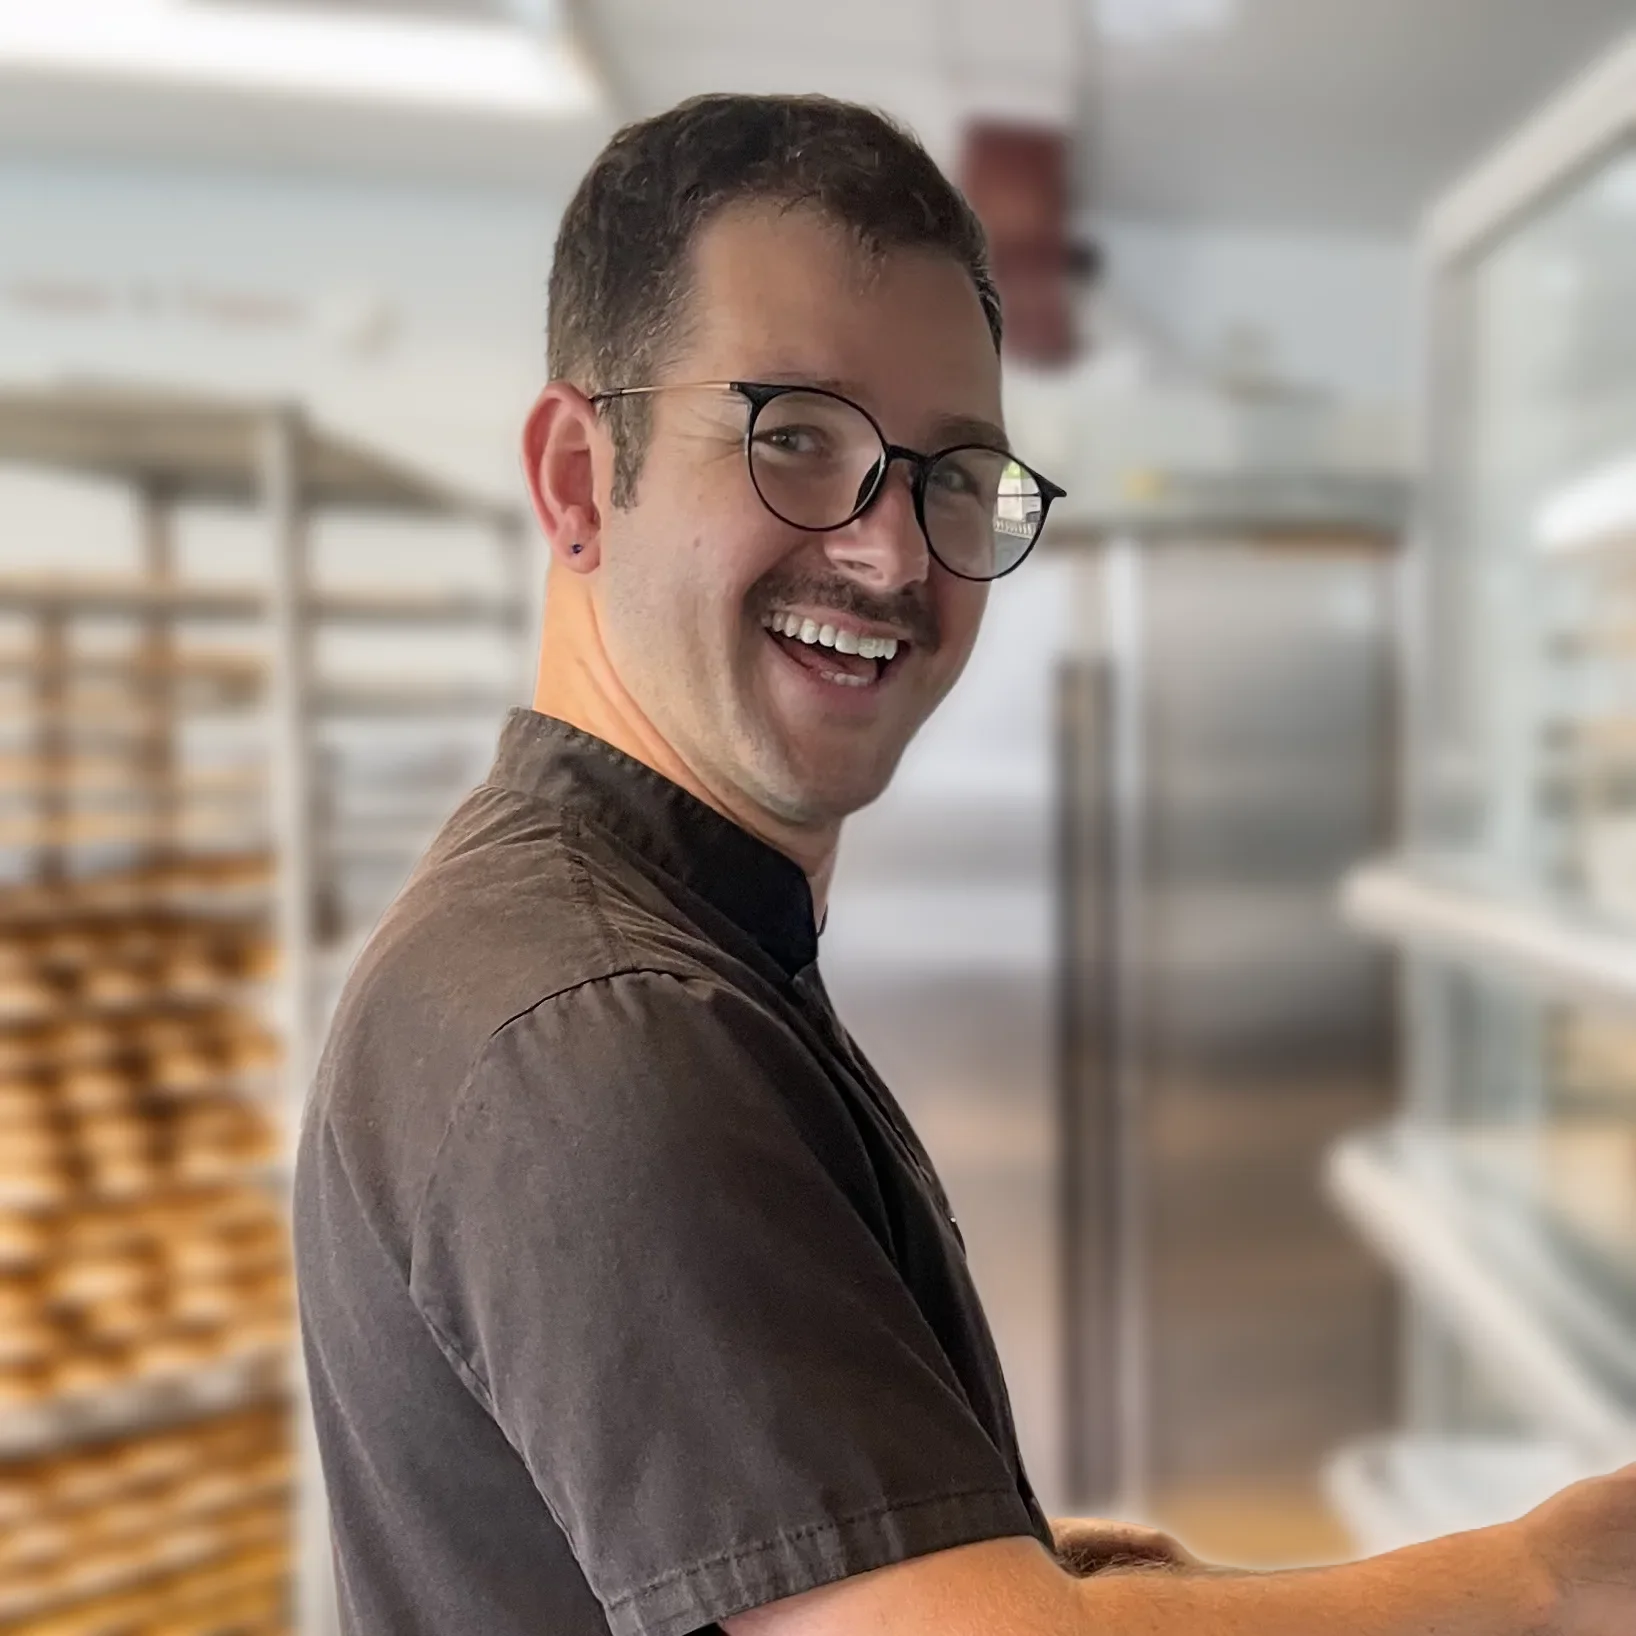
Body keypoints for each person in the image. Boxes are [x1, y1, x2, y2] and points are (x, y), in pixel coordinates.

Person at [292, 91, 1636, 1636]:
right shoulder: (595, 1029)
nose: (894, 554)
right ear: (583, 480)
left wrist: (958, 1538)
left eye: (954, 475)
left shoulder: (634, 941)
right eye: (795, 438)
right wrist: (1553, 1577)